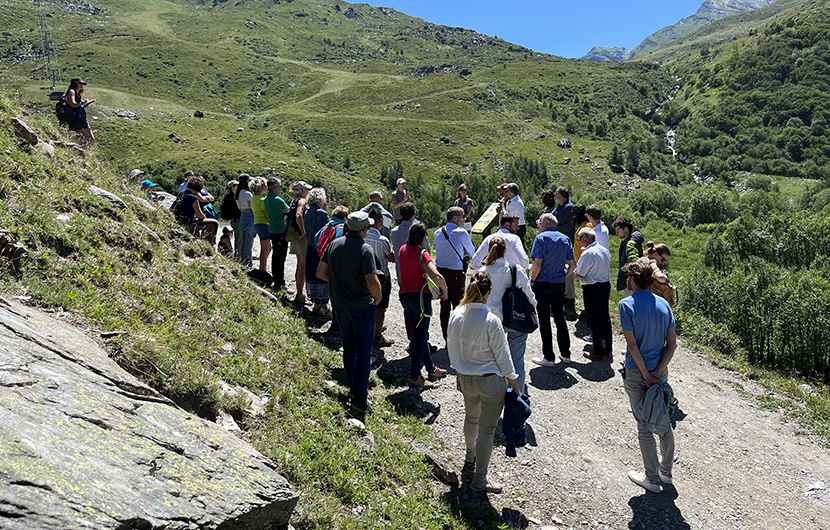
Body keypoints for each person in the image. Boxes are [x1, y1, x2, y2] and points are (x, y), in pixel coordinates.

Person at [447, 270, 521, 494]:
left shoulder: (456, 314)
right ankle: (480, 479)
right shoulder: (491, 320)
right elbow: (503, 357)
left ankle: (469, 456)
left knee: (471, 417)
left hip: (466, 378)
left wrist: (459, 372)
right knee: (487, 430)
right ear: (489, 292)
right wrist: (515, 383)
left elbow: (453, 346)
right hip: (491, 382)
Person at [619, 257, 677, 493]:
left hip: (636, 372)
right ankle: (666, 472)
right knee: (664, 424)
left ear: (633, 279)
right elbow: (671, 344)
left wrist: (645, 374)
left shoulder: (627, 305)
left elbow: (633, 346)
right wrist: (657, 373)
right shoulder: (665, 305)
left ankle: (651, 479)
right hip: (660, 373)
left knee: (644, 425)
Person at [317, 211, 382, 413]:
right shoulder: (365, 249)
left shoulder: (334, 244)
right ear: (364, 229)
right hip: (362, 306)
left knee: (349, 348)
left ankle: (352, 388)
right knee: (363, 353)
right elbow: (372, 281)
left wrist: (339, 283)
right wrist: (378, 297)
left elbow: (320, 273)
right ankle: (359, 398)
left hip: (340, 305)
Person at [480, 236, 536, 395]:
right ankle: (517, 397)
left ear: (488, 250)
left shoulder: (482, 272)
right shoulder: (515, 270)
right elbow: (529, 296)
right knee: (517, 360)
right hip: (515, 319)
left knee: (492, 359)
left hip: (491, 322)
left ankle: (493, 394)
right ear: (505, 251)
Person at [398, 221, 449, 388]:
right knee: (420, 337)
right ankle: (414, 376)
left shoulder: (402, 250)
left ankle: (431, 369)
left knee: (420, 334)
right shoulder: (422, 254)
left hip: (405, 296)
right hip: (420, 297)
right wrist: (444, 290)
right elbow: (437, 277)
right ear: (423, 237)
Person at [529, 213, 575, 366]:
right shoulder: (565, 239)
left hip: (542, 283)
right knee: (560, 318)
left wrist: (532, 280)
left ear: (546, 223)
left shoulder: (540, 239)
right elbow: (573, 263)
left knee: (544, 320)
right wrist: (565, 276)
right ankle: (566, 353)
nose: (538, 225)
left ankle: (548, 356)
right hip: (558, 283)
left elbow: (537, 264)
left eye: (539, 222)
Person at [390, 202, 431, 353]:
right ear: (414, 214)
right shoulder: (418, 230)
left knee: (408, 309)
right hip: (418, 273)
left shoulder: (394, 232)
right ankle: (423, 342)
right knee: (422, 309)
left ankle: (412, 340)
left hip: (402, 274)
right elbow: (426, 249)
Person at [435, 206, 476, 341]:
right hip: (456, 274)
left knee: (444, 307)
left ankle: (447, 338)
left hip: (440, 273)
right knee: (458, 307)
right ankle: (458, 339)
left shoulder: (437, 232)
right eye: (463, 216)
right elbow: (471, 252)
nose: (465, 219)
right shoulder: (461, 233)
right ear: (455, 218)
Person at [572, 228, 613, 361]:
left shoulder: (588, 253)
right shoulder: (604, 250)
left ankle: (599, 351)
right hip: (605, 285)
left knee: (595, 320)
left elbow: (579, 274)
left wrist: (570, 272)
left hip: (592, 288)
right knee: (604, 318)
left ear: (584, 237)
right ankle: (608, 348)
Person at [365, 209, 395, 347]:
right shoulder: (383, 240)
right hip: (382, 276)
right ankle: (377, 336)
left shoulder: (364, 236)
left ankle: (370, 328)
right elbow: (390, 258)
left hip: (366, 275)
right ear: (379, 222)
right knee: (381, 307)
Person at [304, 187, 331, 316]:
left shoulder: (307, 212)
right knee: (322, 275)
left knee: (312, 275)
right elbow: (328, 230)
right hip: (319, 248)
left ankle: (316, 304)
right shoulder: (321, 213)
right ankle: (323, 305)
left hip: (309, 246)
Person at [553, 187, 577, 317]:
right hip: (559, 243)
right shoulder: (560, 207)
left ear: (561, 196)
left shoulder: (568, 207)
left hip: (567, 244)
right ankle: (561, 293)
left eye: (556, 195)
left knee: (568, 268)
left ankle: (569, 297)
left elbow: (556, 220)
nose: (555, 197)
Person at [264, 178, 290, 291]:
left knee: (276, 256)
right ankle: (280, 282)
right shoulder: (277, 199)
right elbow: (288, 210)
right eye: (279, 186)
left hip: (273, 229)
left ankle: (277, 280)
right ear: (275, 187)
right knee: (281, 257)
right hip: (280, 230)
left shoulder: (266, 199)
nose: (280, 188)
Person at [288, 181, 312, 305]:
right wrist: (303, 232)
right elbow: (298, 215)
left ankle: (299, 293)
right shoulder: (302, 201)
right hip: (301, 237)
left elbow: (286, 218)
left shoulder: (293, 201)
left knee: (299, 265)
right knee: (302, 266)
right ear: (302, 191)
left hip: (294, 235)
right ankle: (300, 295)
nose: (308, 192)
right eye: (306, 189)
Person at [179, 175, 219, 242]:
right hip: (188, 223)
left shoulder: (182, 193)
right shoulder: (193, 198)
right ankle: (208, 244)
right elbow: (201, 216)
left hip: (180, 221)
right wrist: (205, 217)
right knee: (214, 223)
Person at [613, 216, 645, 296]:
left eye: (618, 230)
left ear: (626, 229)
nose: (617, 233)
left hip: (632, 283)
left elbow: (634, 261)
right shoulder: (633, 241)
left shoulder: (630, 244)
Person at [64, 78, 94, 145]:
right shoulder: (72, 91)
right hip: (79, 119)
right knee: (90, 138)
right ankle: (83, 150)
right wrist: (82, 103)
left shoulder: (77, 94)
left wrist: (84, 104)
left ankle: (80, 151)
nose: (82, 85)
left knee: (81, 139)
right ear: (75, 83)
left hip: (79, 118)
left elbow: (77, 106)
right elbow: (73, 104)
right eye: (80, 84)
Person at [250, 177, 271, 272]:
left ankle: (262, 268)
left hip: (257, 223)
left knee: (267, 248)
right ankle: (263, 270)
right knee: (265, 249)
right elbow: (267, 215)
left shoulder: (253, 198)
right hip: (264, 224)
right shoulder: (262, 200)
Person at [646, 242, 676, 307]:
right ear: (656, 254)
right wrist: (666, 280)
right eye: (663, 260)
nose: (662, 263)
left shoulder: (642, 260)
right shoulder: (651, 263)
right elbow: (661, 277)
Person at [235, 174, 255, 267]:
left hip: (243, 215)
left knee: (243, 240)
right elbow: (252, 207)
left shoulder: (238, 193)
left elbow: (239, 208)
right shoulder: (247, 193)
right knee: (249, 240)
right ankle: (248, 260)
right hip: (250, 216)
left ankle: (242, 259)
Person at [221, 180, 241, 260]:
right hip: (236, 219)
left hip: (234, 220)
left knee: (238, 238)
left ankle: (237, 254)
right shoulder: (233, 197)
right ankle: (238, 255)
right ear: (233, 187)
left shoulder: (228, 197)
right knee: (239, 239)